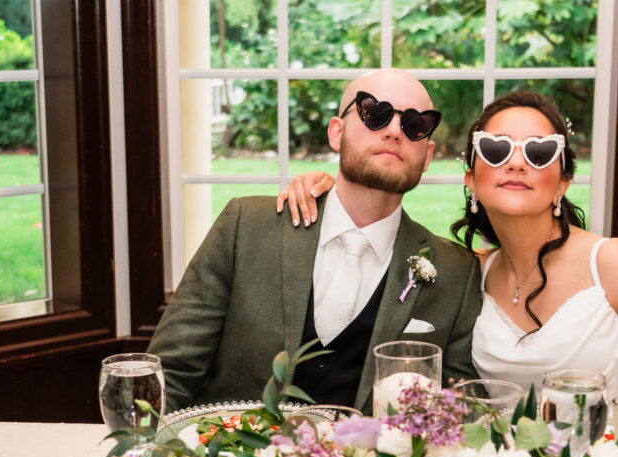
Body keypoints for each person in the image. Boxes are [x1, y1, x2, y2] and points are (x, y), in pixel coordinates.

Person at [278, 91, 618, 400]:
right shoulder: (467, 273)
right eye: (497, 150)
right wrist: (321, 185)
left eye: (539, 151)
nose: (516, 163)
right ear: (471, 180)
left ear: (563, 181)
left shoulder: (614, 263)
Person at [148, 69, 482, 415]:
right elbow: (168, 377)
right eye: (375, 113)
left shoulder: (456, 272)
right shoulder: (245, 227)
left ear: (427, 157)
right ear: (336, 133)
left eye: (415, 125)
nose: (395, 131)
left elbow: (458, 411)